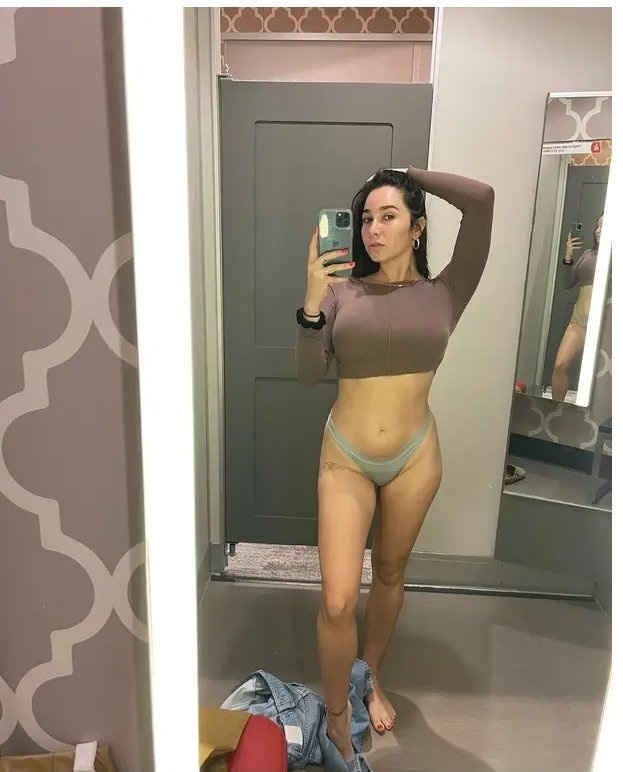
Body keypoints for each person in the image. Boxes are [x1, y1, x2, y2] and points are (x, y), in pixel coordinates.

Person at [295, 166, 495, 763]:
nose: (373, 229)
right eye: (366, 218)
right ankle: (336, 719)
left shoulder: (448, 290)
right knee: (337, 599)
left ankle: (369, 674)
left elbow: (482, 201)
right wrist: (311, 303)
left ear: (418, 226)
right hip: (346, 456)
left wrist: (406, 173)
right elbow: (309, 376)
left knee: (388, 572)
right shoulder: (341, 291)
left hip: (415, 456)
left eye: (388, 216)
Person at [551, 215, 602, 402]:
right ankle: (556, 409)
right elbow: (567, 283)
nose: (598, 230)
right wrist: (568, 256)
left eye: (604, 226)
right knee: (560, 365)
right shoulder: (588, 254)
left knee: (602, 379)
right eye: (597, 225)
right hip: (579, 322)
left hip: (607, 327)